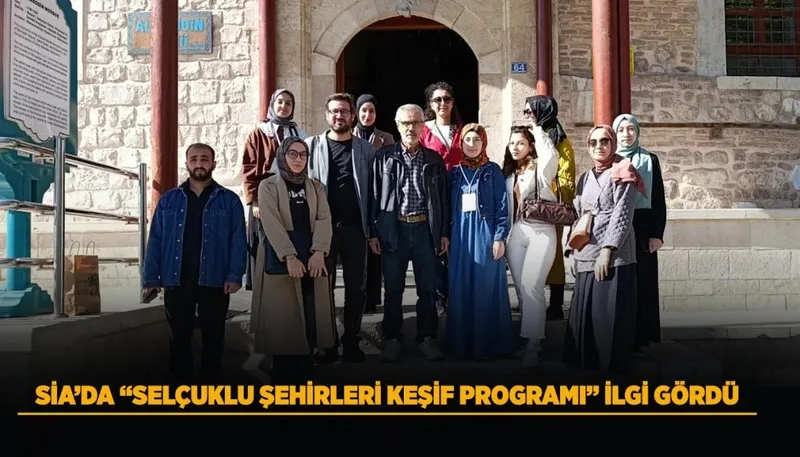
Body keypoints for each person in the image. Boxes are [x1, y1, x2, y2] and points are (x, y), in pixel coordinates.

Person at [143, 143, 247, 384]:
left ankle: (210, 389)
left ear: (213, 164)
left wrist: (234, 275)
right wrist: (151, 279)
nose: (199, 163)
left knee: (214, 339)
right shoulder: (168, 200)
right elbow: (156, 240)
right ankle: (183, 390)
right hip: (177, 279)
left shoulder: (229, 201)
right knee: (179, 340)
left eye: (204, 159)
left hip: (215, 281)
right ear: (187, 163)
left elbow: (238, 241)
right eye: (194, 159)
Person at [250, 137, 336, 384]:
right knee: (283, 323)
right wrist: (289, 256)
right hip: (281, 259)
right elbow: (271, 222)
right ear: (282, 156)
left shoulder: (316, 187)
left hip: (312, 260)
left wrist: (319, 252)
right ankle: (282, 384)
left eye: (303, 154)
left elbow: (324, 219)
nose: (298, 159)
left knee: (310, 320)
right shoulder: (268, 186)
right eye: (293, 154)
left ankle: (305, 381)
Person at [370, 104, 450, 363]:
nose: (410, 128)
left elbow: (443, 200)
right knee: (392, 289)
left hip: (425, 230)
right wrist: (374, 232)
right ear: (397, 125)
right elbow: (374, 196)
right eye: (405, 123)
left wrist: (443, 232)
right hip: (395, 230)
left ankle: (426, 338)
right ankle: (392, 339)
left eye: (416, 122)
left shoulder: (433, 160)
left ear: (423, 126)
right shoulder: (384, 157)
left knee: (427, 289)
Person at [563, 125, 646, 374]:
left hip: (615, 253)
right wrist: (571, 252)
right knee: (587, 312)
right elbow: (578, 214)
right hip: (587, 249)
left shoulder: (623, 171)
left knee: (608, 313)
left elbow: (623, 213)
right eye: (593, 143)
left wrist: (608, 250)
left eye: (604, 141)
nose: (599, 147)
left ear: (612, 144)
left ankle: (611, 370)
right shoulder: (585, 177)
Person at [306, 93, 374, 363]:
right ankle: (327, 343)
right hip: (323, 230)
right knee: (323, 288)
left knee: (357, 288)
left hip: (356, 228)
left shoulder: (366, 149)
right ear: (326, 115)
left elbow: (375, 190)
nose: (339, 115)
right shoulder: (312, 146)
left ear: (352, 116)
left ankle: (351, 341)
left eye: (344, 111)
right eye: (334, 111)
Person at [446, 123, 515, 360]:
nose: (472, 145)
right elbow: (445, 206)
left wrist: (499, 237)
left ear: (484, 142)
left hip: (485, 233)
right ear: (460, 143)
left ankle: (488, 345)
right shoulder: (454, 173)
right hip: (459, 235)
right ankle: (462, 346)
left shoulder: (492, 170)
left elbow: (502, 205)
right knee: (461, 286)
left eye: (477, 140)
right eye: (467, 140)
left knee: (485, 287)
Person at [502, 121, 560, 368]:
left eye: (521, 143)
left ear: (530, 146)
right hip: (515, 233)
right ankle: (527, 339)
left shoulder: (541, 168)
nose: (515, 147)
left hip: (541, 230)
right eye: (512, 143)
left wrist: (536, 129)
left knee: (532, 286)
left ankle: (535, 343)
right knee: (521, 289)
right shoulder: (507, 173)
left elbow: (552, 154)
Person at [242, 89, 307, 295]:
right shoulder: (260, 133)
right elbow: (249, 167)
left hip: (292, 196)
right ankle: (262, 287)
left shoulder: (300, 135)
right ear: (272, 104)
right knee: (263, 241)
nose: (284, 106)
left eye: (288, 103)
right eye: (280, 102)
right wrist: (254, 200)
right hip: (264, 196)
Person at [613, 113, 667, 347]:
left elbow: (658, 198)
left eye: (631, 129)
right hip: (618, 223)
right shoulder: (611, 159)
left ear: (637, 131)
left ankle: (643, 336)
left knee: (644, 280)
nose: (626, 134)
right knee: (621, 278)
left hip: (644, 225)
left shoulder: (649, 159)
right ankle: (622, 334)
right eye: (621, 130)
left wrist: (657, 234)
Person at [523, 95, 576, 321]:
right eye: (525, 111)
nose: (526, 115)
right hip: (527, 203)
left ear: (542, 112)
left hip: (549, 205)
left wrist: (558, 198)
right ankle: (530, 301)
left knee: (553, 256)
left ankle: (555, 304)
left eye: (529, 111)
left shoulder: (559, 139)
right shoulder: (528, 135)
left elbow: (566, 174)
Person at [420, 81, 463, 315]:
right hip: (432, 194)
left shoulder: (462, 130)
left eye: (447, 99)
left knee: (456, 243)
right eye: (437, 99)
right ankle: (438, 295)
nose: (442, 103)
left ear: (453, 102)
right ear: (430, 104)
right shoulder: (423, 130)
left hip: (459, 192)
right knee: (435, 244)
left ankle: (456, 293)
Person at [353, 94, 395, 314]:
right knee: (357, 251)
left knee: (375, 250)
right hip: (357, 198)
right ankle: (356, 298)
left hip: (379, 198)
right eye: (364, 110)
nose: (367, 115)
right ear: (357, 112)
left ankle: (371, 299)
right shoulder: (349, 136)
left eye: (371, 111)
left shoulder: (386, 138)